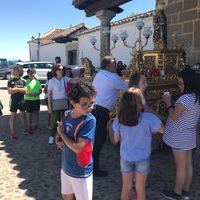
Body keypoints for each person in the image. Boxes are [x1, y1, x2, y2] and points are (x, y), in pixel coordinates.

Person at [112, 91, 164, 200]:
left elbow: (116, 140)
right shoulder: (148, 118)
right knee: (140, 188)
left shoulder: (118, 120)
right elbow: (162, 130)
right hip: (142, 158)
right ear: (139, 104)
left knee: (126, 187)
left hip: (126, 157)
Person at [161, 67, 200, 200]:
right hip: (189, 135)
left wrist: (168, 102)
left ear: (188, 83)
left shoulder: (185, 99)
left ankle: (177, 193)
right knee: (188, 164)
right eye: (178, 83)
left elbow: (174, 116)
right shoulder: (195, 96)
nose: (179, 86)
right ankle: (186, 190)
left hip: (179, 136)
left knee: (181, 166)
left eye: (181, 83)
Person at [56, 81, 96, 200]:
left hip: (81, 171)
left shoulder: (89, 120)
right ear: (73, 102)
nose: (89, 107)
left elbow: (79, 148)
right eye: (84, 104)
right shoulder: (67, 114)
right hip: (66, 166)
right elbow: (64, 134)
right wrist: (60, 140)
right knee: (67, 197)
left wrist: (62, 134)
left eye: (92, 103)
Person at [92, 55, 128, 177]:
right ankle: (94, 168)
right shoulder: (112, 76)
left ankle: (91, 164)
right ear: (108, 66)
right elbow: (126, 87)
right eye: (114, 64)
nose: (116, 65)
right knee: (99, 139)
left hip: (95, 108)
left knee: (95, 138)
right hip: (102, 111)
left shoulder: (99, 74)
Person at [48, 65, 70, 144]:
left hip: (65, 103)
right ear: (55, 71)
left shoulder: (65, 79)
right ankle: (51, 136)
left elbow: (75, 80)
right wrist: (50, 107)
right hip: (56, 103)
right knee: (55, 121)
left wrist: (85, 78)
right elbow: (49, 95)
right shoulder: (51, 81)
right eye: (59, 69)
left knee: (65, 121)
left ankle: (63, 137)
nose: (61, 71)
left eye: (61, 69)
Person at [7, 65, 27, 138]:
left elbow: (25, 91)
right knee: (13, 116)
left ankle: (25, 129)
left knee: (23, 116)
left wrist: (16, 89)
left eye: (18, 70)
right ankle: (13, 132)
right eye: (15, 70)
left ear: (20, 72)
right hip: (14, 101)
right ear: (13, 71)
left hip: (21, 100)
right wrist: (19, 89)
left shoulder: (23, 80)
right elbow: (9, 91)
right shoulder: (10, 81)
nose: (16, 71)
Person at [24, 68, 42, 133]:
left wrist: (37, 93)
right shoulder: (26, 82)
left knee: (36, 113)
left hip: (36, 99)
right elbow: (24, 91)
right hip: (28, 100)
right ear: (28, 74)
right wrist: (29, 94)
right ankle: (29, 126)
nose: (32, 74)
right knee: (29, 114)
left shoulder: (37, 81)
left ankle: (36, 125)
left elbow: (40, 90)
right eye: (30, 73)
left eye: (33, 73)